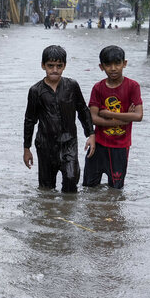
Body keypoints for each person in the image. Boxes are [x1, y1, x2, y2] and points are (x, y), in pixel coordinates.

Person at [23, 45, 95, 193]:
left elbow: (83, 110)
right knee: (46, 189)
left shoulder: (72, 86)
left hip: (69, 142)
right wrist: (26, 148)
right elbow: (30, 120)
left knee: (71, 179)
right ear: (43, 66)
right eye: (50, 66)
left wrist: (91, 134)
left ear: (64, 66)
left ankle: (67, 213)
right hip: (45, 145)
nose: (54, 70)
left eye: (59, 66)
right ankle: (49, 214)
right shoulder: (36, 91)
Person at [84, 45, 143, 190]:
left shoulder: (132, 86)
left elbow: (139, 116)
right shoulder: (98, 88)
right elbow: (93, 118)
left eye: (117, 63)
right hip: (98, 145)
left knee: (116, 190)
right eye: (108, 64)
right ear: (101, 67)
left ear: (125, 63)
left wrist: (110, 114)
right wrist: (126, 118)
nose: (113, 68)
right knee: (88, 187)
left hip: (120, 146)